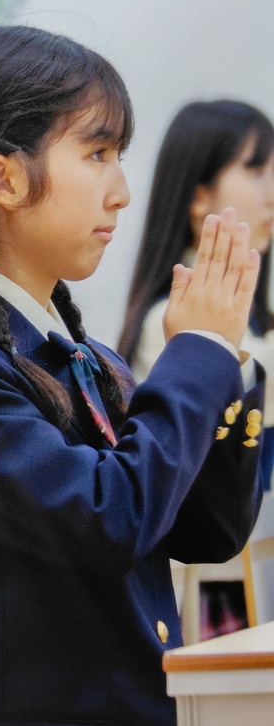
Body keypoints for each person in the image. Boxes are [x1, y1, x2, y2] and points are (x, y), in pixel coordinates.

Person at [0, 25, 265, 725]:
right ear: (5, 178)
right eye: (97, 154)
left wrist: (224, 364)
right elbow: (111, 518)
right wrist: (197, 352)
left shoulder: (86, 355)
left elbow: (208, 534)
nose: (121, 193)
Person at [118, 100, 274, 640]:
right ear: (199, 195)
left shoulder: (253, 327)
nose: (272, 193)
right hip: (217, 595)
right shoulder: (173, 323)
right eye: (255, 170)